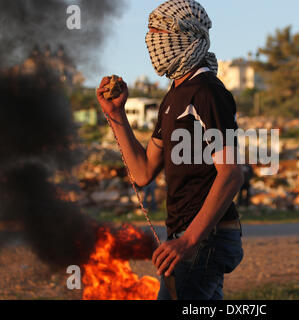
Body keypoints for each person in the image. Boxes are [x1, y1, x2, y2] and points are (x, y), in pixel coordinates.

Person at [96, 0, 244, 300]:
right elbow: (143, 172)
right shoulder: (174, 96)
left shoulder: (206, 92)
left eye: (158, 33)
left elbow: (231, 173)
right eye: (150, 34)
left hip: (204, 240)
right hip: (188, 238)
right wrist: (116, 114)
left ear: (185, 37)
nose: (152, 42)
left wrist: (189, 240)